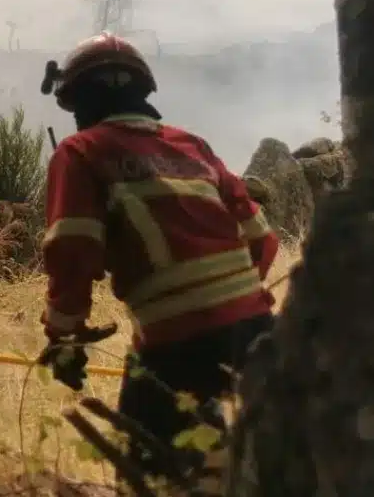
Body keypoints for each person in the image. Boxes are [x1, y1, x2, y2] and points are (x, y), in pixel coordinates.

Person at [36, 32, 280, 473]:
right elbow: (262, 239)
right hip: (257, 332)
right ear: (142, 92)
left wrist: (65, 339)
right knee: (261, 469)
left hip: (175, 348)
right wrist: (232, 304)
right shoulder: (193, 146)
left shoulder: (79, 152)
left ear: (79, 102)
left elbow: (73, 252)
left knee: (153, 477)